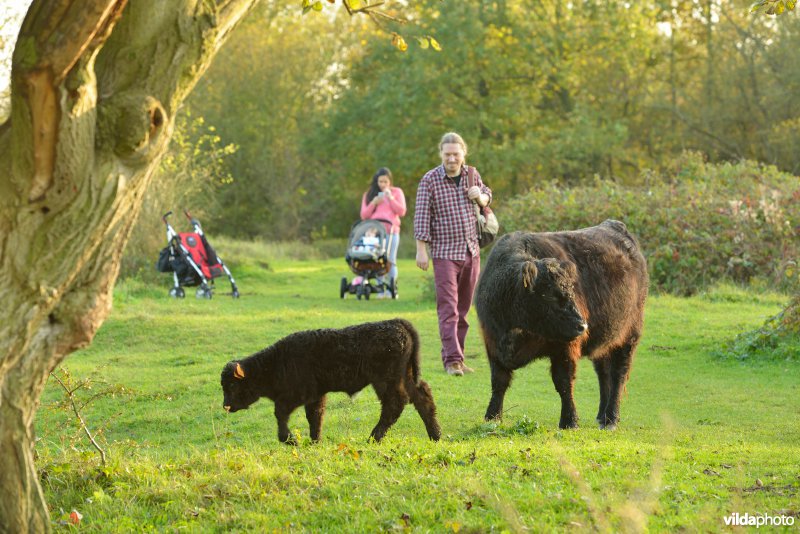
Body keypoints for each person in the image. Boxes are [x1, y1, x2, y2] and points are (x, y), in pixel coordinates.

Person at [414, 132, 492, 376]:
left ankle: (458, 357)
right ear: (441, 154)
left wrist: (479, 196)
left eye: (455, 154)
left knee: (464, 310)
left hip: (471, 251)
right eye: (447, 154)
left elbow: (488, 195)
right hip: (444, 253)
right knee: (448, 308)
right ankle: (452, 361)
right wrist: (421, 251)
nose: (451, 158)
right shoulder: (430, 180)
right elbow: (421, 217)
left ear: (463, 153)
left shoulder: (472, 175)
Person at [360, 167, 406, 298]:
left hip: (392, 231)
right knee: (377, 260)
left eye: (385, 182)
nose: (383, 184)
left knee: (390, 260)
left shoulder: (397, 192)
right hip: (375, 233)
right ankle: (380, 289)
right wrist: (373, 203)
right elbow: (364, 215)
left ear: (390, 181)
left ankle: (392, 289)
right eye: (380, 181)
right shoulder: (369, 194)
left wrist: (390, 198)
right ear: (376, 181)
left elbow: (401, 211)